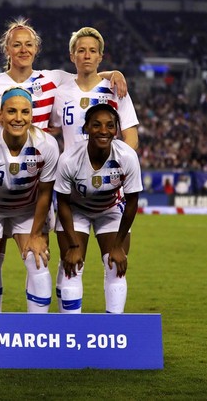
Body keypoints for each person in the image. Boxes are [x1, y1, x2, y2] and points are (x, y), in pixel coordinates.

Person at [0, 18, 126, 312]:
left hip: (37, 187)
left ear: (37, 49)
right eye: (16, 44)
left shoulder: (53, 79)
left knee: (38, 256)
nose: (23, 49)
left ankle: (38, 331)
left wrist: (114, 73)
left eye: (29, 44)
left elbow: (87, 74)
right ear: (7, 47)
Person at [50, 26, 138, 310]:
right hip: (71, 192)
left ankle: (113, 333)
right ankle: (68, 334)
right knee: (70, 266)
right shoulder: (59, 90)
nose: (86, 55)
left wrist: (115, 168)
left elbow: (131, 137)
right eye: (81, 50)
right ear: (72, 55)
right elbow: (49, 126)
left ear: (101, 56)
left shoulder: (115, 89)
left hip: (109, 196)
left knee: (115, 264)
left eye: (92, 51)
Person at [0, 88, 59, 313]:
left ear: (31, 115)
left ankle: (36, 334)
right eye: (11, 111)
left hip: (27, 209)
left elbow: (46, 192)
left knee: (37, 262)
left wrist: (37, 234)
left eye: (24, 112)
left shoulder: (47, 145)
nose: (18, 118)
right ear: (0, 115)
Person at [54, 104, 142, 314]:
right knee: (72, 267)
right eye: (96, 125)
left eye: (110, 125)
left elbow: (132, 202)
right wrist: (74, 246)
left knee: (115, 267)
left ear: (116, 130)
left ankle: (113, 328)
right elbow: (63, 202)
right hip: (75, 210)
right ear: (86, 128)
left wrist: (119, 245)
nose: (103, 130)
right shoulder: (69, 159)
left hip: (110, 210)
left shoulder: (127, 157)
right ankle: (71, 331)